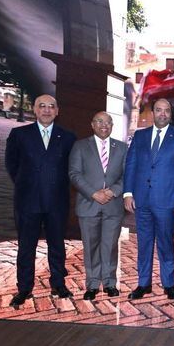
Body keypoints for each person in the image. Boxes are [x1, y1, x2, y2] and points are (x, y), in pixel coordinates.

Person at [5, 94, 76, 307]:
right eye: (42, 106)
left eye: (51, 106)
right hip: (28, 201)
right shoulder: (19, 135)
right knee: (26, 247)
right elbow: (12, 165)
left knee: (57, 245)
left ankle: (58, 283)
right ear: (34, 110)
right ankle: (24, 288)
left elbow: (71, 169)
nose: (46, 110)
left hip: (56, 201)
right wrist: (28, 184)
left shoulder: (68, 137)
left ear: (57, 111)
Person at [123, 98, 174, 300]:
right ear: (152, 113)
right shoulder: (140, 136)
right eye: (159, 110)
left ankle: (169, 283)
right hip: (142, 200)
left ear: (171, 114)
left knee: (165, 243)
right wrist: (128, 193)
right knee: (144, 243)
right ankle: (143, 284)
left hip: (167, 201)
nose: (163, 114)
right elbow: (131, 165)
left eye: (166, 111)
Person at [69, 111, 127, 300]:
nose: (104, 125)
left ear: (112, 126)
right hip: (88, 203)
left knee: (110, 246)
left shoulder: (122, 147)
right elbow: (74, 174)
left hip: (113, 205)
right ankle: (92, 284)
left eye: (108, 122)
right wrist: (93, 193)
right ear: (92, 124)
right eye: (100, 122)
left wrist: (112, 191)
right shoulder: (80, 146)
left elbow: (127, 175)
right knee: (90, 246)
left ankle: (110, 282)